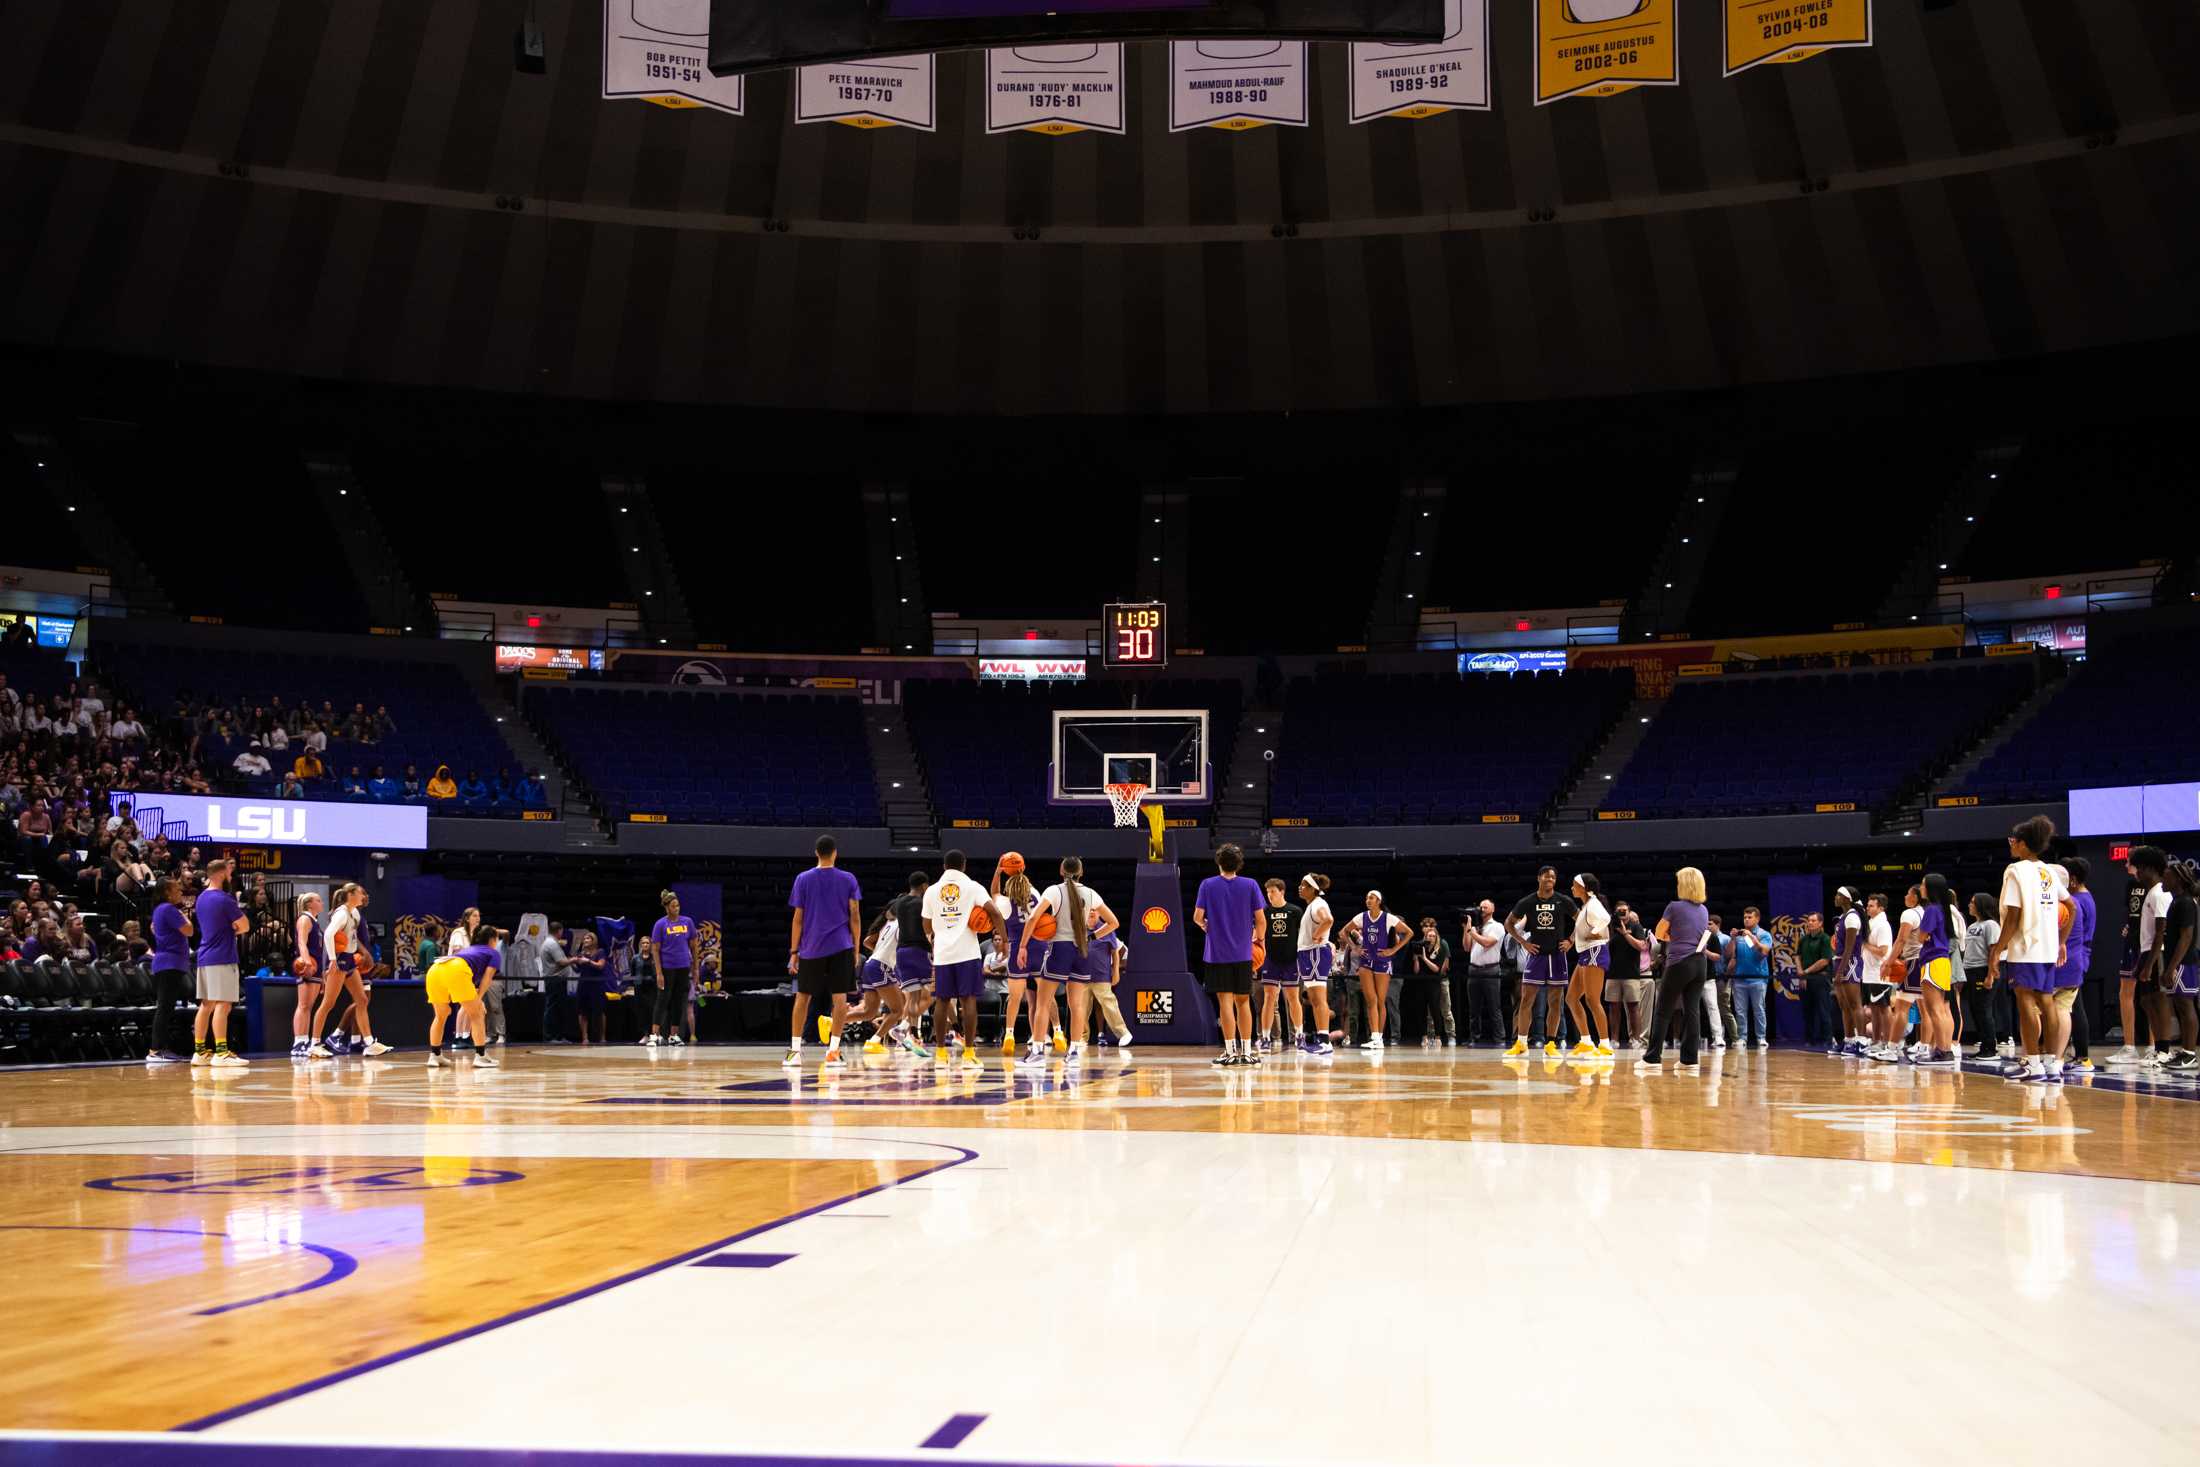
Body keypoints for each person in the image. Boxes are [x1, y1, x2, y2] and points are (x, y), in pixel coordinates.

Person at [1985, 814, 2071, 1082]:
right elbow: (2072, 906)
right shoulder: (2047, 870)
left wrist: (1997, 950)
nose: (2011, 844)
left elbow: (2012, 916)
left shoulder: (2016, 872)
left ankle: (2032, 1063)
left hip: (2026, 946)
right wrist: (2061, 941)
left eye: (2013, 840)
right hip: (2046, 946)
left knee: (2026, 1004)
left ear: (2023, 845)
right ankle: (2052, 1063)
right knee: (2047, 1002)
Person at [1020, 855, 1119, 1067]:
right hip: (1083, 950)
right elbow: (1113, 923)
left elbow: (1033, 919)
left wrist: (1022, 946)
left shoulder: (1053, 891)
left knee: (1043, 1003)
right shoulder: (1092, 894)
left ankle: (1037, 1051)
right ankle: (1074, 1053)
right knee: (1077, 1005)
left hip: (1060, 948)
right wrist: (1091, 937)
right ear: (1081, 872)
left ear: (1061, 870)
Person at [786, 835, 862, 1068]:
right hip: (841, 945)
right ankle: (833, 1051)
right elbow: (855, 915)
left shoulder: (803, 879)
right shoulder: (848, 878)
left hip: (811, 947)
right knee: (840, 999)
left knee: (803, 998)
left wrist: (794, 951)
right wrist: (856, 949)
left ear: (816, 853)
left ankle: (795, 1052)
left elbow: (797, 919)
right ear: (835, 853)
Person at [1192, 843, 1268, 1066]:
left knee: (1225, 1003)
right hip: (1244, 953)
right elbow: (1261, 920)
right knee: (1243, 1002)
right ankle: (1246, 1051)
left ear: (1219, 862)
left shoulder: (1207, 885)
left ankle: (1229, 1051)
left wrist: (1207, 927)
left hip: (1217, 953)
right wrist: (1259, 941)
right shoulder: (1251, 885)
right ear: (1239, 864)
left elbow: (1197, 917)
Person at [921, 848, 993, 1069]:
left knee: (942, 1001)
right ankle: (969, 1054)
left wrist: (936, 938)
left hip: (943, 952)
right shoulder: (973, 887)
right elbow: (996, 913)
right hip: (967, 952)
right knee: (968, 1001)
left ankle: (941, 1055)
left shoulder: (932, 891)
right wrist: (1006, 942)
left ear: (944, 866)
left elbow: (926, 924)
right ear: (964, 866)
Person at [1639, 867, 1712, 1072]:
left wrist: (1675, 936)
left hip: (1680, 962)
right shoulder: (1704, 910)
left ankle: (1652, 1059)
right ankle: (1689, 1060)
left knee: (1663, 1010)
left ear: (1684, 884)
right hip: (1700, 964)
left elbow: (1660, 933)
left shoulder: (1675, 907)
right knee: (1692, 1011)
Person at [307, 884, 390, 1058]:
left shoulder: (355, 913)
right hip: (339, 960)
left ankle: (369, 1043)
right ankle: (314, 1044)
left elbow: (352, 938)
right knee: (328, 1004)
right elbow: (329, 934)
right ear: (351, 894)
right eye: (361, 892)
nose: (364, 895)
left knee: (361, 999)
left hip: (350, 959)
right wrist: (332, 960)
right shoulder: (342, 913)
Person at [1505, 867, 1579, 1059]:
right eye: (1547, 876)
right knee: (1526, 1000)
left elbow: (1582, 921)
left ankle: (1551, 1043)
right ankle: (1521, 1043)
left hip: (1557, 956)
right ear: (1539, 878)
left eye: (1553, 877)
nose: (1550, 879)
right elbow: (1508, 923)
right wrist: (1523, 942)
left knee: (1555, 1002)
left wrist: (1571, 941)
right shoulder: (1528, 901)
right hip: (1536, 955)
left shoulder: (1563, 900)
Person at [2113, 846, 2175, 1068]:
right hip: (2146, 951)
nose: (2135, 871)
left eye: (2138, 867)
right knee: (2147, 1001)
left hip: (2156, 953)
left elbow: (2161, 932)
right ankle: (2158, 1047)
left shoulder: (2159, 893)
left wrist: (2150, 963)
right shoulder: (2149, 892)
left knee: (2158, 1002)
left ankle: (2163, 1050)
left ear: (2148, 868)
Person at [191, 858, 249, 1068]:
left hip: (204, 956)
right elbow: (245, 925)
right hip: (222, 956)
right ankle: (221, 1053)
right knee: (223, 1005)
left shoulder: (201, 898)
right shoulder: (224, 899)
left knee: (206, 1005)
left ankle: (199, 1052)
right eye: (229, 872)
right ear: (222, 874)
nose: (231, 876)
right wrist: (234, 928)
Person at [990, 854, 1043, 1055]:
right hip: (1038, 947)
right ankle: (1055, 1032)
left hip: (1016, 949)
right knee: (1046, 998)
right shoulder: (1036, 894)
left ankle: (1009, 1034)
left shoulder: (1004, 902)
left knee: (1014, 997)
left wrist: (998, 870)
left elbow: (994, 892)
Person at [424, 929, 501, 1068]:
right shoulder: (493, 952)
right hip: (457, 969)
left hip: (435, 969)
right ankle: (481, 1056)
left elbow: (466, 979)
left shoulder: (469, 950)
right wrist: (479, 999)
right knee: (477, 1014)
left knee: (440, 1016)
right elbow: (487, 978)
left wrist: (477, 999)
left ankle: (434, 1056)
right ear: (492, 940)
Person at [1910, 876, 1962, 1066]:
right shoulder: (1943, 908)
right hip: (1942, 961)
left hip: (1932, 960)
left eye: (1923, 884)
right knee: (1943, 1009)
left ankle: (1943, 1051)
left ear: (1931, 888)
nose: (1921, 887)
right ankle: (1945, 1049)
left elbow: (1920, 937)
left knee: (1935, 1009)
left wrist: (1923, 935)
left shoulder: (1931, 909)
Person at [2154, 861, 2199, 1071]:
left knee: (2186, 1005)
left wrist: (2172, 967)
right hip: (2177, 962)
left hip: (2184, 962)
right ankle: (2185, 1051)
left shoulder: (2186, 903)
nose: (2163, 879)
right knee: (2180, 1006)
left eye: (2167, 876)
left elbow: (2187, 936)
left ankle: (2190, 1054)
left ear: (2178, 879)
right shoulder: (2176, 901)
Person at [1562, 874, 1613, 1057]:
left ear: (1584, 887)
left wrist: (1595, 933)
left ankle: (1606, 1045)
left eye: (1574, 885)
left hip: (1595, 951)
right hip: (1585, 952)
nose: (1572, 888)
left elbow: (1605, 919)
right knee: (1571, 998)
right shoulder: (1586, 905)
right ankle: (1586, 1042)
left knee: (1592, 999)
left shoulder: (1593, 904)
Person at [144, 878, 193, 1063]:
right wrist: (184, 915)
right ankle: (156, 1051)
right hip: (168, 964)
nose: (180, 892)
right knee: (164, 1008)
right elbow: (189, 930)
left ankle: (160, 1049)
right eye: (177, 889)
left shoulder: (161, 910)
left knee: (166, 1008)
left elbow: (155, 929)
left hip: (170, 964)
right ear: (167, 892)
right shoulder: (169, 909)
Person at [2054, 858, 2095, 1073]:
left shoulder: (2078, 901)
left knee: (2076, 1009)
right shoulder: (2081, 898)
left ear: (2072, 879)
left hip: (2075, 955)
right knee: (2072, 1008)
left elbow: (2079, 933)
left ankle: (2083, 1057)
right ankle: (2076, 1055)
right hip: (2075, 955)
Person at [1256, 878, 1305, 1053]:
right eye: (1267, 892)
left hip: (1291, 960)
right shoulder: (1264, 912)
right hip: (1271, 960)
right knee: (1269, 999)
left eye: (1273, 892)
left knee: (1293, 999)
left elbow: (1304, 936)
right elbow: (1257, 934)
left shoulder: (1295, 911)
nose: (1269, 895)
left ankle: (1299, 1035)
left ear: (1282, 892)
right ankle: (1266, 1038)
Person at [889, 871, 934, 1056]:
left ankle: (911, 1035)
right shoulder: (923, 902)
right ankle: (906, 1028)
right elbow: (929, 926)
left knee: (913, 997)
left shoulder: (899, 903)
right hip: (919, 950)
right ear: (924, 886)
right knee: (933, 993)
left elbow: (889, 914)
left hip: (901, 951)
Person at [645, 890, 695, 1048]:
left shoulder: (687, 922)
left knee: (678, 1002)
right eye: (673, 906)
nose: (676, 908)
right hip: (667, 968)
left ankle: (674, 1035)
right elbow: (655, 950)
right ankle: (655, 1035)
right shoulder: (660, 924)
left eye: (678, 905)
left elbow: (694, 947)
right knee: (662, 1000)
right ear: (666, 907)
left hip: (683, 966)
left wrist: (696, 969)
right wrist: (659, 972)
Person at [1296, 874, 1337, 1056]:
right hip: (1309, 954)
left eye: (1304, 885)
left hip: (1315, 953)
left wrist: (1317, 934)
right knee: (1313, 1000)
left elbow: (1328, 920)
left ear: (1313, 889)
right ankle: (1321, 1039)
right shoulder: (1312, 905)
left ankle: (1325, 1042)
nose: (1300, 887)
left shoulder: (1319, 904)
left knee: (1319, 1000)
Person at [1960, 892, 2004, 1059]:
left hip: (1983, 970)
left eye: (1972, 902)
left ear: (1981, 905)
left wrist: (1990, 975)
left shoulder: (1991, 925)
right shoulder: (1972, 926)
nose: (1970, 905)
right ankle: (1984, 1046)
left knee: (1984, 1009)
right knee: (1975, 1009)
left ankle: (1991, 1049)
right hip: (1970, 971)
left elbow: (1994, 950)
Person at [1857, 894, 1897, 1061]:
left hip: (1880, 974)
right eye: (1868, 904)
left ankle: (1888, 1044)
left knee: (1884, 1008)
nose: (1868, 907)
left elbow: (1883, 951)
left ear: (1881, 908)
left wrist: (1865, 944)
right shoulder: (1871, 923)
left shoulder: (1883, 925)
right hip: (1868, 973)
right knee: (1874, 1008)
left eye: (1872, 905)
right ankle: (1876, 1042)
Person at [1731, 905, 1775, 1051]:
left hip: (1758, 978)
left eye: (1750, 917)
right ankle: (1742, 1038)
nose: (1746, 920)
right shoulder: (1740, 936)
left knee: (1759, 1009)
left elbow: (1764, 952)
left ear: (1757, 918)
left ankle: (1761, 1037)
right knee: (1740, 1010)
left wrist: (1752, 938)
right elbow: (1729, 955)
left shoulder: (1764, 934)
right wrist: (1732, 939)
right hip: (1739, 978)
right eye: (1745, 917)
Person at [1461, 899, 1505, 1047]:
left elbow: (1487, 943)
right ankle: (1474, 1037)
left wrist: (1473, 933)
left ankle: (1499, 1038)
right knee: (1474, 1008)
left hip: (1491, 969)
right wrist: (1468, 925)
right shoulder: (1475, 927)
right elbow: (1466, 947)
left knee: (1494, 1007)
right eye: (1481, 906)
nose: (1482, 908)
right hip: (1473, 969)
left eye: (1485, 906)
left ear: (1493, 909)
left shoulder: (1497, 926)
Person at [1830, 886, 1867, 1055]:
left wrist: (1840, 972)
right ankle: (1849, 1040)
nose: (1836, 897)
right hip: (1840, 961)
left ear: (1847, 898)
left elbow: (1850, 948)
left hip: (1850, 962)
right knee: (1844, 1005)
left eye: (1839, 894)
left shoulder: (1852, 917)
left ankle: (1862, 1041)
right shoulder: (1843, 917)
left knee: (1855, 1003)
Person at [289, 892, 326, 1061]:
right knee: (303, 1005)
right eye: (318, 900)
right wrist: (306, 962)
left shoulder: (316, 922)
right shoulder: (304, 919)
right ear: (310, 904)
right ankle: (298, 1043)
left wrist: (323, 974)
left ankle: (304, 1041)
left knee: (308, 1006)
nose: (321, 902)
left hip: (317, 968)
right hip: (307, 966)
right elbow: (301, 942)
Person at [1409, 916, 1456, 1047]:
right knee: (1428, 1013)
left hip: (1440, 980)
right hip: (1424, 981)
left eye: (1431, 927)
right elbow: (1416, 970)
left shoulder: (1442, 944)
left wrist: (1438, 973)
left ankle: (1450, 1035)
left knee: (1444, 1010)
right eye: (1425, 927)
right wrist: (1417, 958)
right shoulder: (1419, 945)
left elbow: (1443, 966)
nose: (1428, 929)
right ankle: (1429, 1036)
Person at [1795, 911, 1834, 1046]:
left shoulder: (1825, 939)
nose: (1810, 923)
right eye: (1809, 920)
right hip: (1805, 979)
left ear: (1820, 923)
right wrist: (1800, 972)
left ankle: (1827, 1039)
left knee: (1824, 1010)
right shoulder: (1804, 939)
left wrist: (1806, 971)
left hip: (1820, 978)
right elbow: (1797, 956)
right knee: (1807, 1011)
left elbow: (1824, 960)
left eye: (1813, 920)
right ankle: (1809, 1039)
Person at [570, 931, 609, 1046]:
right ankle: (585, 1037)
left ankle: (602, 1037)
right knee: (583, 1011)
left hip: (597, 985)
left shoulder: (600, 952)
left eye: (588, 938)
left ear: (593, 941)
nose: (585, 940)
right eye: (585, 939)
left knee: (600, 1011)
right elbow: (578, 970)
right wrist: (573, 962)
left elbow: (601, 965)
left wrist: (589, 961)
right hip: (583, 985)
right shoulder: (580, 953)